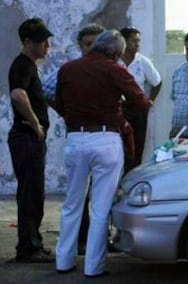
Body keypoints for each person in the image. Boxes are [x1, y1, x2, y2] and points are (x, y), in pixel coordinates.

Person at [54, 30, 149, 277]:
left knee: (72, 203)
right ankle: (93, 267)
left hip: (75, 138)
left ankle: (63, 261)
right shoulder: (114, 69)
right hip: (106, 139)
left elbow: (60, 104)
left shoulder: (68, 69)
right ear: (117, 53)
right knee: (100, 206)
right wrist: (118, 112)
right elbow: (140, 101)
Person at [42, 23, 105, 255]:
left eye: (97, 44)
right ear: (80, 46)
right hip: (78, 135)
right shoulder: (71, 69)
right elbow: (45, 88)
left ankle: (99, 243)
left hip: (105, 136)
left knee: (101, 195)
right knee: (77, 196)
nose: (93, 49)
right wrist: (66, 110)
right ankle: (79, 242)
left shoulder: (112, 67)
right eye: (88, 45)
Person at [7, 17, 55, 263]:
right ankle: (28, 249)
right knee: (31, 195)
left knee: (33, 193)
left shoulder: (27, 64)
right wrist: (36, 123)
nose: (47, 45)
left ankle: (32, 243)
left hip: (27, 139)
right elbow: (17, 94)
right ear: (27, 42)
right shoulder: (23, 64)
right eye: (42, 42)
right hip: (27, 138)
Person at [119, 26, 162, 169]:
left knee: (136, 148)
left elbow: (157, 82)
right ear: (123, 42)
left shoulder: (142, 62)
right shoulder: (114, 61)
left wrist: (150, 100)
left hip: (138, 111)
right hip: (118, 110)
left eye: (139, 41)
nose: (137, 44)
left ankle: (131, 181)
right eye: (134, 41)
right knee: (118, 148)